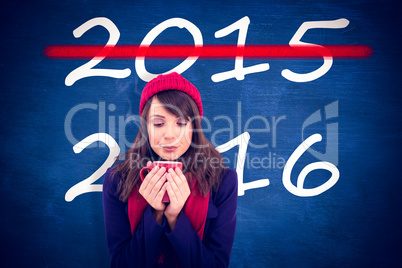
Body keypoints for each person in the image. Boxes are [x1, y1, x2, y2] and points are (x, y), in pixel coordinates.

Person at [102, 72, 238, 267]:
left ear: (194, 127)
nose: (170, 135)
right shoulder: (117, 180)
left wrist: (175, 218)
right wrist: (155, 214)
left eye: (181, 123)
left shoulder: (223, 181)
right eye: (158, 123)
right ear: (146, 127)